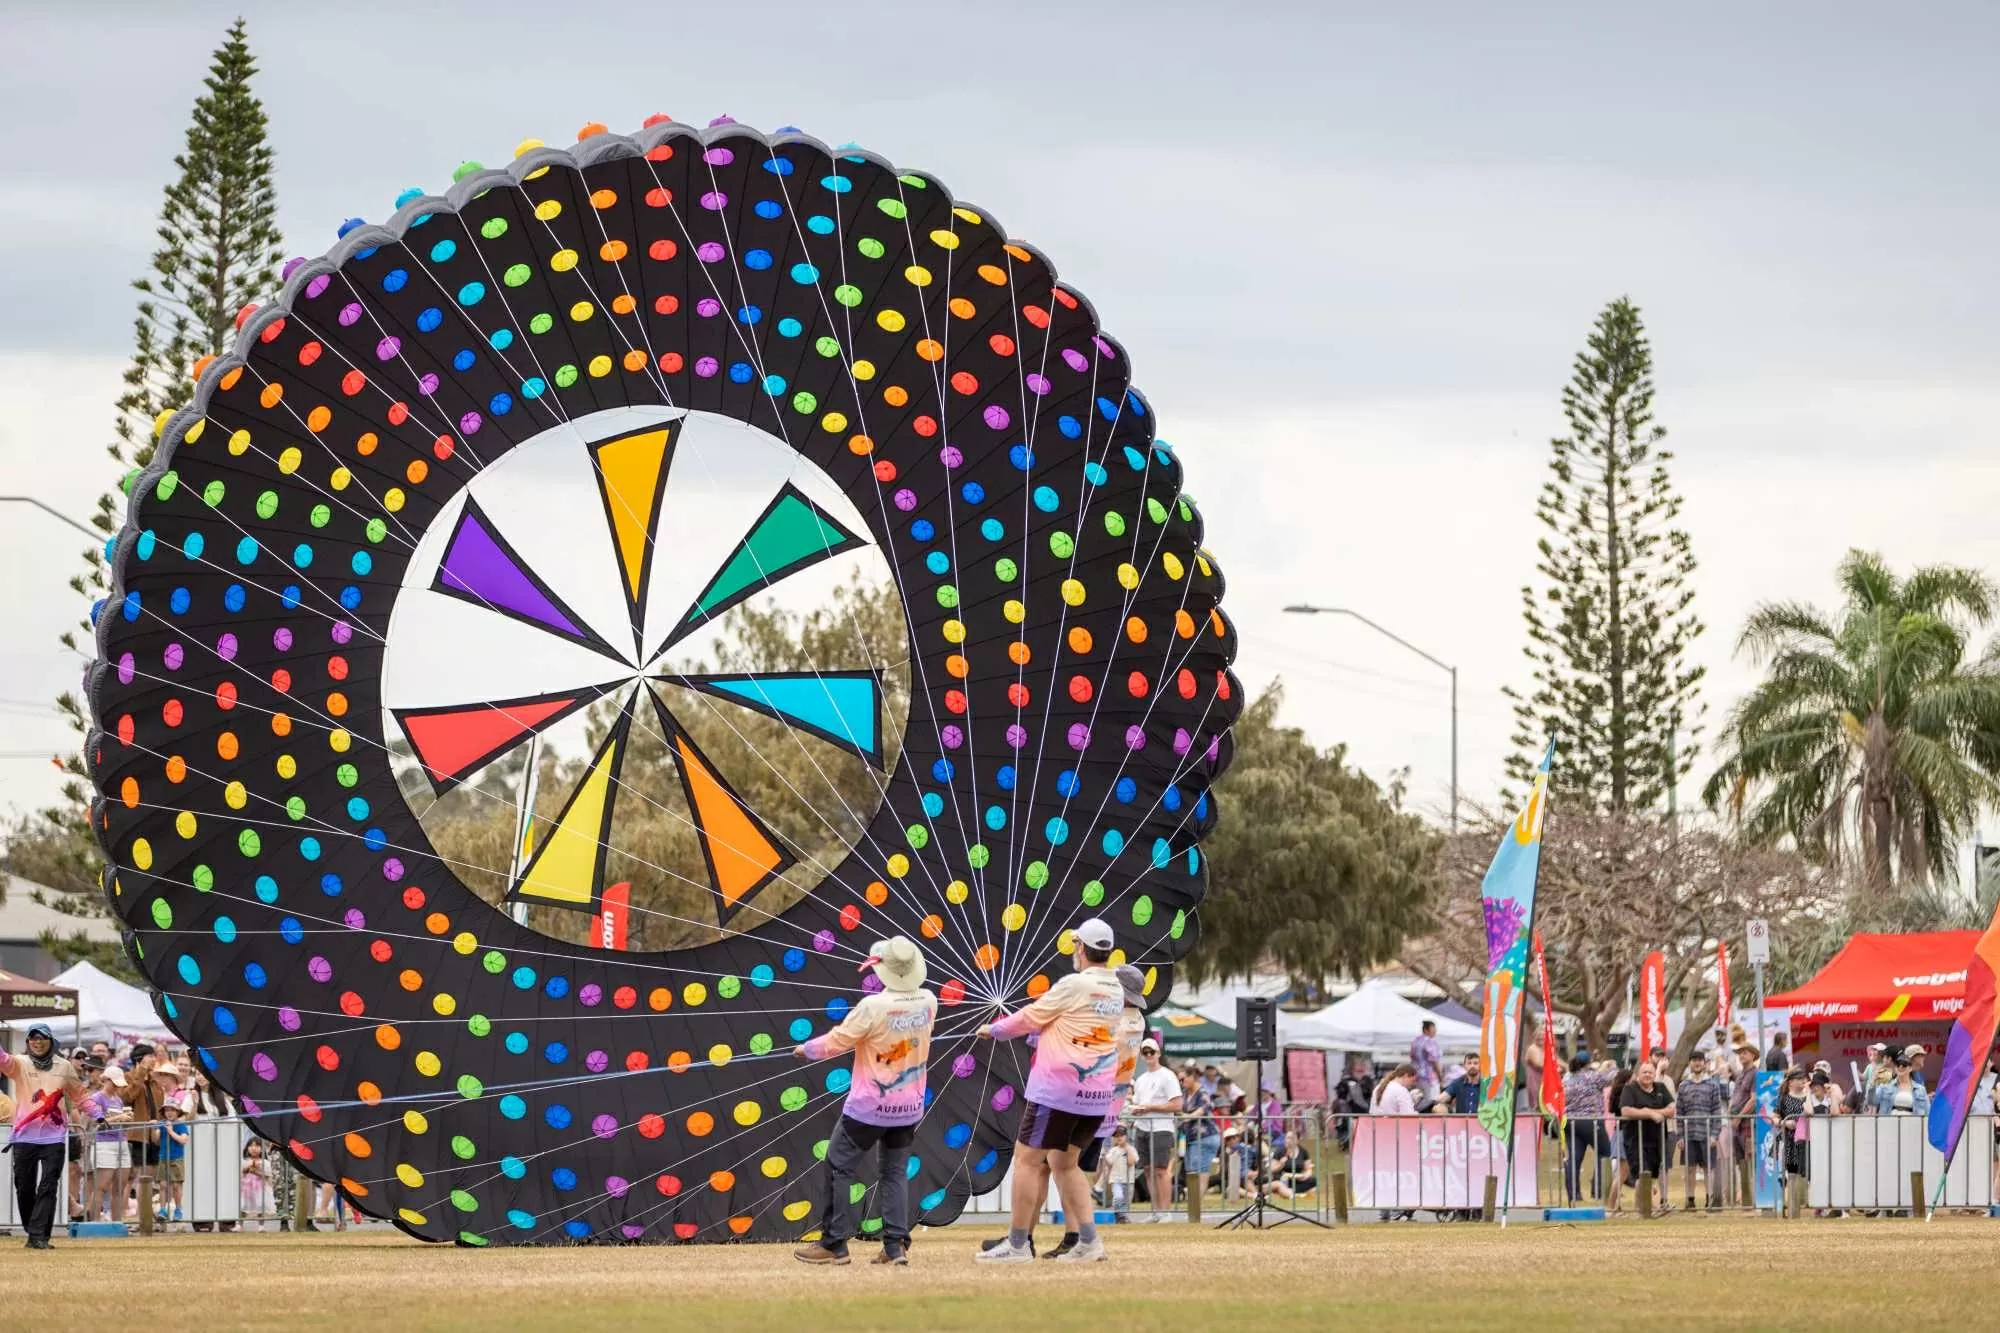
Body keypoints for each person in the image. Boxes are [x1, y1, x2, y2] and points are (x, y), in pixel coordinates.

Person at [974, 916, 1126, 1265]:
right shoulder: (1116, 989)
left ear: (1082, 949)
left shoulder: (1074, 984)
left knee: (1026, 1161)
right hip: (1096, 1095)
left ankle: (1016, 1245)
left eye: (1076, 945)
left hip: (1059, 1092)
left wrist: (994, 1030)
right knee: (1064, 1163)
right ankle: (1089, 1242)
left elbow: (1032, 1015)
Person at [791, 935, 937, 1268]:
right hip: (908, 1107)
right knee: (894, 1174)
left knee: (839, 1165)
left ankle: (834, 1244)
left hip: (870, 1107)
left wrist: (807, 1049)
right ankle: (896, 1245)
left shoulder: (873, 1007)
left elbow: (839, 1041)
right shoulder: (929, 1001)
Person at [1040, 963, 1148, 1259]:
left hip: (1090, 1102)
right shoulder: (1137, 1020)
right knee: (1070, 1168)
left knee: (1065, 1168)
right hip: (1109, 1108)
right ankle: (1074, 1236)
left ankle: (1079, 1237)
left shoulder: (1117, 1021)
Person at [1, 1023, 98, 1249]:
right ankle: (34, 1230)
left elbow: (80, 1095)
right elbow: (2, 1059)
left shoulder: (64, 1066)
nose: (37, 1041)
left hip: (54, 1138)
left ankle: (39, 1236)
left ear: (50, 1040)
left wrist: (98, 1114)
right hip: (24, 1137)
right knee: (24, 1187)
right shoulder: (20, 1064)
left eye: (41, 1038)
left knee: (48, 1185)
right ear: (28, 1042)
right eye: (32, 1038)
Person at [1127, 1038, 1180, 1223]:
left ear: (1158, 1053)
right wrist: (1134, 1109)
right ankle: (1156, 1210)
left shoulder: (1167, 1075)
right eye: (1145, 1053)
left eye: (1152, 1052)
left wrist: (1150, 1108)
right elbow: (1138, 1103)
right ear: (1141, 1056)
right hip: (1142, 1127)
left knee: (1161, 1170)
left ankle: (1165, 1211)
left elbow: (1176, 1104)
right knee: (1148, 1170)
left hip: (1161, 1128)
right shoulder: (1141, 1079)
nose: (1149, 1055)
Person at [1617, 1060, 1675, 1214]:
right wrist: (1650, 1113)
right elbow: (1626, 1111)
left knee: (1650, 1176)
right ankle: (1646, 1209)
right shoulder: (1630, 1089)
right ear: (1638, 1075)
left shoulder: (1660, 1088)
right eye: (1644, 1072)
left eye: (1650, 1072)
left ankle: (1643, 1208)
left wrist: (1657, 1113)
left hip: (1656, 1139)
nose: (1648, 1075)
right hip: (1635, 1139)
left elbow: (1671, 1110)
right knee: (1641, 1174)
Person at [1675, 1051, 1725, 1209]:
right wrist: (1680, 1136)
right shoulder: (1683, 1086)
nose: (1697, 1063)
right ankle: (1690, 1200)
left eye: (1699, 1060)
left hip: (1707, 1133)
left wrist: (1715, 1135)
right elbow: (1680, 1112)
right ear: (1689, 1063)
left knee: (1707, 1168)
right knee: (1689, 1168)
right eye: (1694, 1060)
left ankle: (1709, 1199)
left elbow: (1717, 1111)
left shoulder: (1712, 1085)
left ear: (1704, 1063)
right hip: (1689, 1134)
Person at [1561, 1053, 1612, 1202]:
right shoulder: (1593, 1076)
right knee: (1606, 1152)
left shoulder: (1568, 1079)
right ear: (1588, 1063)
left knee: (1574, 1159)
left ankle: (1574, 1195)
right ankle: (1597, 1189)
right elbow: (1610, 1079)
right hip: (1591, 1120)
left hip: (1570, 1121)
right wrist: (1607, 1066)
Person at [1867, 1053, 1930, 1118]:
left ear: (1910, 1068)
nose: (1900, 1067)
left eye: (1904, 1065)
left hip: (1913, 1125)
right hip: (1889, 1124)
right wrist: (1873, 1081)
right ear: (1895, 1068)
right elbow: (1871, 1101)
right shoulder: (1885, 1088)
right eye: (1897, 1064)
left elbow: (1928, 1111)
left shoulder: (1920, 1089)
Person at [1097, 1127, 1138, 1222]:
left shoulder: (1131, 1149)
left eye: (1121, 1135)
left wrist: (1127, 1150)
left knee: (1126, 1201)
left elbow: (1131, 1162)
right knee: (1118, 1197)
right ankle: (1118, 1214)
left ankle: (1123, 1217)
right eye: (1116, 1136)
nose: (1119, 1138)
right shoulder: (1113, 1150)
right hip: (1116, 1179)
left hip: (1129, 1180)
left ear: (1126, 1137)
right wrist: (1104, 1156)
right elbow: (1109, 1163)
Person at [241, 1139, 274, 1230]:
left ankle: (261, 1226)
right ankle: (239, 1225)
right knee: (243, 1206)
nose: (254, 1148)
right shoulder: (244, 1161)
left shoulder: (265, 1162)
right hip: (246, 1189)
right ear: (247, 1148)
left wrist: (256, 1171)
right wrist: (248, 1168)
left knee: (260, 1206)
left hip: (260, 1188)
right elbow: (242, 1172)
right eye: (251, 1146)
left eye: (257, 1146)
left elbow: (267, 1175)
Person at [1410, 1020, 1443, 1097]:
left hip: (1417, 1077)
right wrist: (1440, 1077)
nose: (1435, 1031)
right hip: (1429, 1078)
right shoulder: (1430, 1041)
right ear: (1426, 1030)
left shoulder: (1415, 1041)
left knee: (1420, 1100)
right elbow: (1434, 1061)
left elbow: (1412, 1059)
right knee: (1433, 1102)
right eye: (1433, 1029)